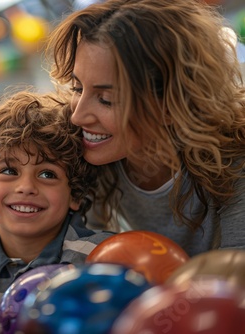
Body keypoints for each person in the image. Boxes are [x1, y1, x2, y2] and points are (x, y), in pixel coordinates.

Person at [44, 0, 245, 257]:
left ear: (173, 104)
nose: (78, 116)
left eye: (107, 100)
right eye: (77, 88)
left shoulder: (234, 162)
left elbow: (237, 271)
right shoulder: (84, 153)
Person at [0, 89, 115, 333]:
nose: (26, 187)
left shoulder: (98, 260)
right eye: (9, 171)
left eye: (48, 174)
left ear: (75, 195)